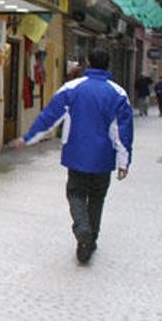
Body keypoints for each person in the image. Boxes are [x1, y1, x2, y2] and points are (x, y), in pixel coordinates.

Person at [11, 49, 132, 264]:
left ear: (88, 62)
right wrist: (124, 162)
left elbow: (49, 117)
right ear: (108, 65)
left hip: (76, 155)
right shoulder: (119, 94)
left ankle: (82, 229)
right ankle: (89, 241)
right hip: (103, 159)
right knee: (97, 198)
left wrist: (27, 139)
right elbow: (122, 132)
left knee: (75, 193)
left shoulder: (72, 88)